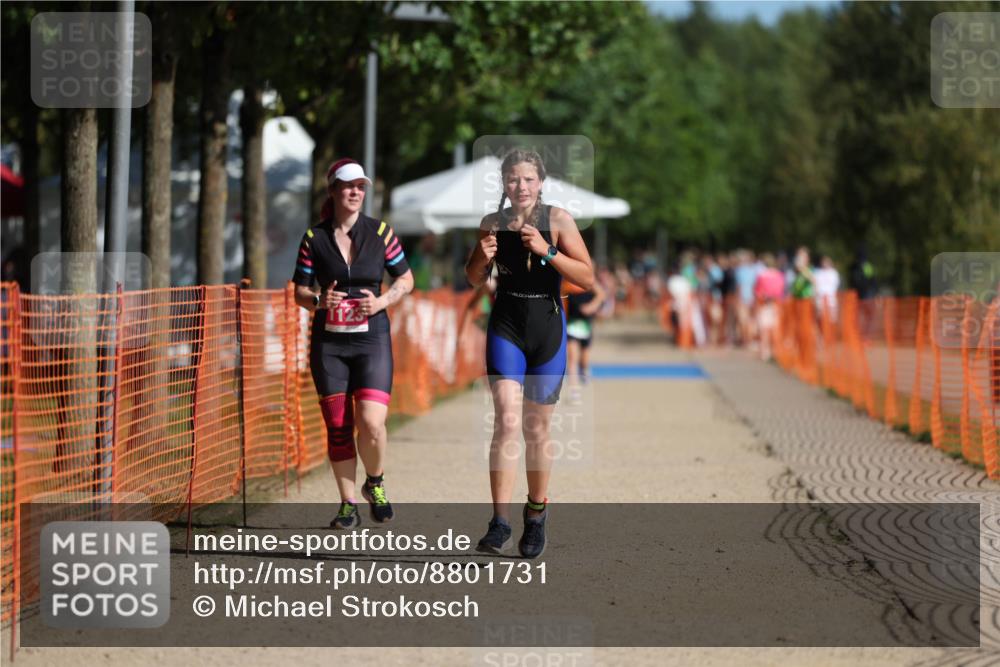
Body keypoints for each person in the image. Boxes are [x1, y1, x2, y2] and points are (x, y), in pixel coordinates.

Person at [464, 148, 595, 559]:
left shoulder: (557, 221)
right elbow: (472, 280)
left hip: (546, 332)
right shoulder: (490, 224)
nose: (520, 186)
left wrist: (548, 251)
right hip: (505, 327)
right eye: (512, 179)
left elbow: (587, 278)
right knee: (505, 419)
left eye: (527, 179)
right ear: (503, 183)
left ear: (540, 183)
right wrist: (478, 259)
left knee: (536, 430)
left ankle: (535, 513)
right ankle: (498, 522)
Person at [292, 158, 414, 529]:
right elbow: (299, 290)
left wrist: (380, 302)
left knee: (372, 423)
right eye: (348, 186)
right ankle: (347, 504)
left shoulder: (381, 233)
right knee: (339, 424)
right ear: (333, 190)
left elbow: (405, 280)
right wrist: (317, 301)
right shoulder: (314, 237)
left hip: (372, 339)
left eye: (361, 186)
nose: (355, 192)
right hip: (329, 345)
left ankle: (374, 483)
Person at [565, 277, 606, 386]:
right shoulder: (566, 280)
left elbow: (601, 295)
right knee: (572, 358)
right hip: (571, 324)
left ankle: (585, 372)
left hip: (585, 325)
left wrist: (591, 307)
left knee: (584, 360)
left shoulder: (589, 280)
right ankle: (574, 391)